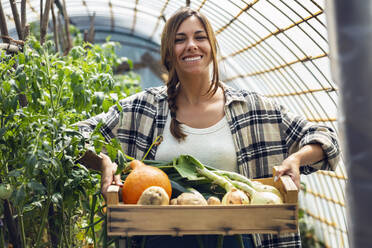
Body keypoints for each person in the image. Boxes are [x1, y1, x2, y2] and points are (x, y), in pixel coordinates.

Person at [77, 7, 340, 248]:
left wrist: (296, 159)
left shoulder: (253, 108)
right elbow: (73, 138)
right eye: (180, 40)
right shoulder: (143, 108)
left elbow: (325, 137)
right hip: (160, 241)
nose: (191, 46)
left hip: (237, 241)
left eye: (199, 37)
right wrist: (103, 163)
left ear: (212, 46)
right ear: (169, 51)